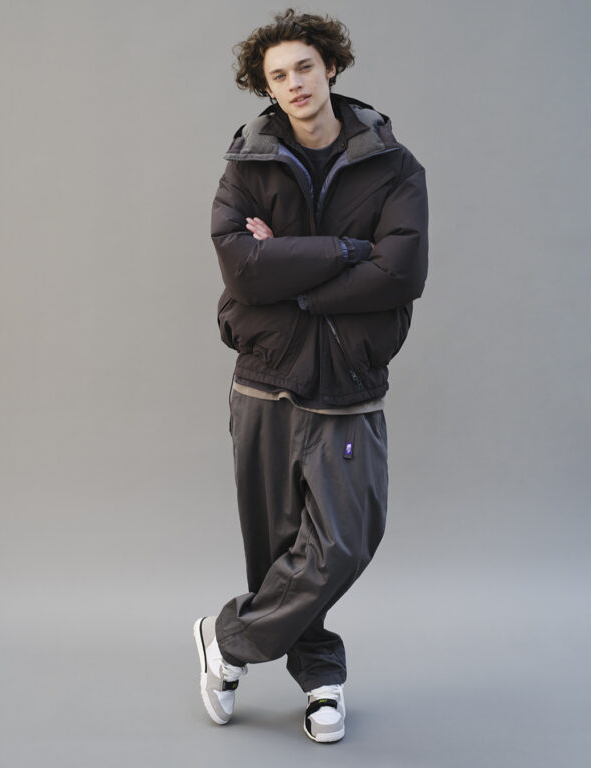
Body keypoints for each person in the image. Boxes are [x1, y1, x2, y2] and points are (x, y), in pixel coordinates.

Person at [194, 8, 428, 743]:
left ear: (330, 67)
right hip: (264, 380)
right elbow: (242, 268)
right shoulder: (248, 163)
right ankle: (321, 678)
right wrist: (348, 251)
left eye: (304, 67)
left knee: (343, 541)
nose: (294, 83)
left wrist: (291, 268)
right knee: (278, 551)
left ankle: (227, 640)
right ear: (264, 87)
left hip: (348, 384)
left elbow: (402, 272)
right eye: (278, 75)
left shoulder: (394, 167)